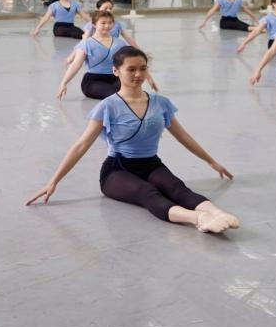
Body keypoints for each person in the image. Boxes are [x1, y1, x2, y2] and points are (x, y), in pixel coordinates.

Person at [27, 47, 240, 233]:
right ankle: (199, 219)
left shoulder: (161, 103)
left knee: (177, 188)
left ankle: (217, 213)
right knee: (148, 194)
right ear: (116, 71)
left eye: (142, 68)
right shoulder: (107, 106)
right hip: (117, 170)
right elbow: (81, 145)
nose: (138, 74)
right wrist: (53, 182)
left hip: (151, 164)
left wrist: (211, 161)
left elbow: (183, 136)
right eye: (131, 69)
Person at [58, 10, 158, 99]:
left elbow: (136, 63)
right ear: (94, 24)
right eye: (103, 23)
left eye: (110, 23)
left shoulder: (120, 43)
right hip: (94, 81)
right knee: (118, 96)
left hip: (116, 79)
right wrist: (64, 83)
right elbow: (76, 65)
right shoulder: (86, 44)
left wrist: (150, 79)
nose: (107, 26)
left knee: (134, 94)